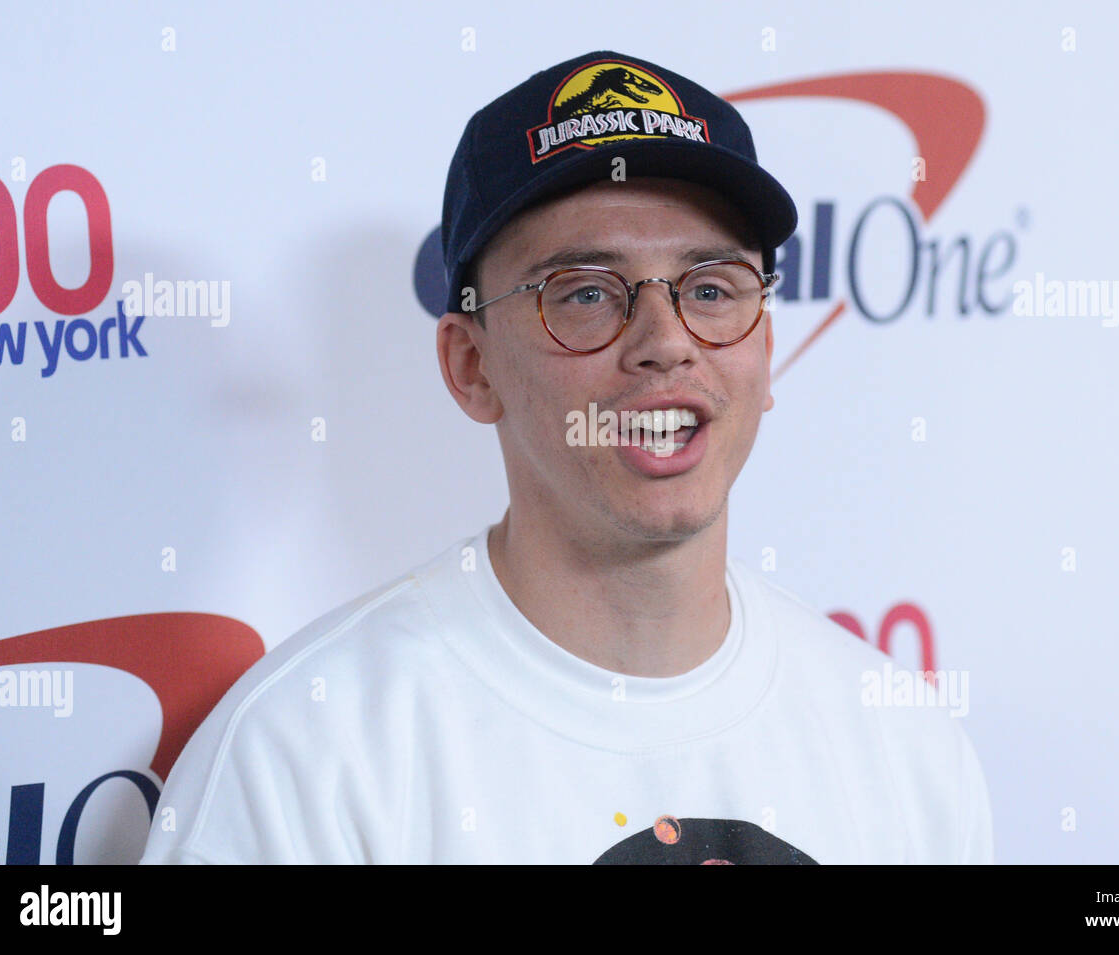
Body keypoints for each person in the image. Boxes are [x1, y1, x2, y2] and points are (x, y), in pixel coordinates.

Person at [140, 50, 993, 864]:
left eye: (709, 289)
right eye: (586, 293)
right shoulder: (304, 757)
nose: (665, 342)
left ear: (764, 348)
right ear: (471, 367)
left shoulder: (900, 744)